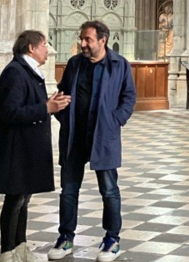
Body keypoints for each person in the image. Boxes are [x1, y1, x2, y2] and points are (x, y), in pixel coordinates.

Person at [48, 21, 136, 262]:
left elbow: (129, 97)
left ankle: (112, 240)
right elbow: (62, 92)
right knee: (68, 191)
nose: (82, 44)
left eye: (87, 40)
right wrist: (64, 117)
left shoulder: (119, 64)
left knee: (109, 190)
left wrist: (115, 120)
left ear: (102, 40)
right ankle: (65, 237)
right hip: (75, 136)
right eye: (82, 39)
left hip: (103, 137)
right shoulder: (75, 64)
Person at [0, 30, 71, 262]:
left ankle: (20, 245)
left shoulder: (30, 71)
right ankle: (7, 251)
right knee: (14, 200)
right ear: (31, 48)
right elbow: (9, 112)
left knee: (24, 200)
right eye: (44, 44)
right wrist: (45, 108)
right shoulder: (14, 72)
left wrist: (50, 104)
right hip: (17, 148)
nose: (47, 49)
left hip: (28, 147)